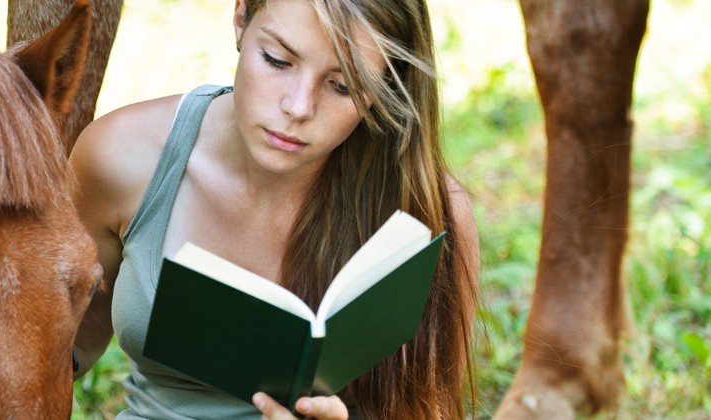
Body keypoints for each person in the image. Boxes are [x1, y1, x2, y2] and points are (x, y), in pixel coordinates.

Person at [69, 0, 479, 418]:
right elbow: (77, 330)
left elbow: (432, 406)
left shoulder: (425, 217)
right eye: (278, 60)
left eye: (343, 85)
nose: (299, 107)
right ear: (242, 18)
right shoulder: (123, 157)